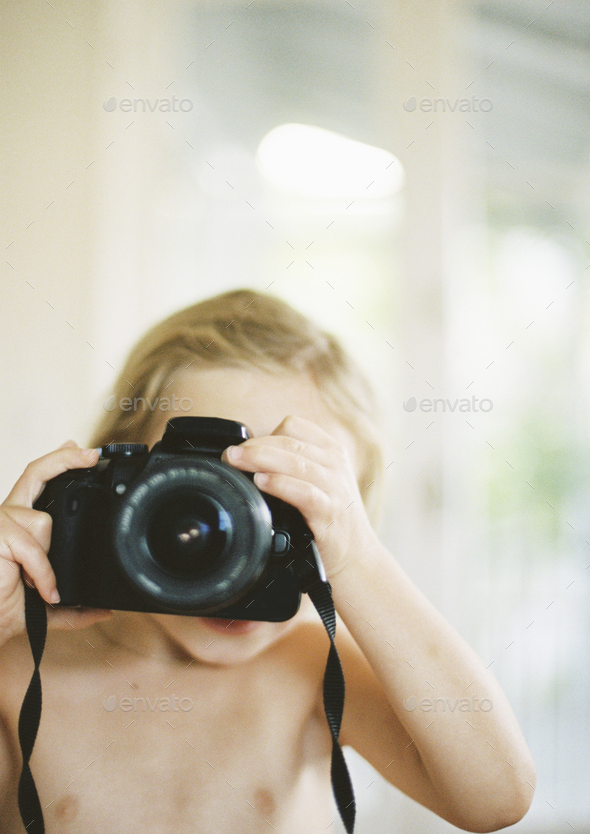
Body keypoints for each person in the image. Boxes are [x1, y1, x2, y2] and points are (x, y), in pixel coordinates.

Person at [0, 289, 535, 833]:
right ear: (112, 473)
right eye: (201, 496)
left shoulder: (310, 666)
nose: (239, 540)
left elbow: (495, 799)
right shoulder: (21, 668)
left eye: (290, 502)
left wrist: (360, 561)